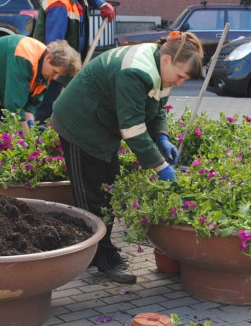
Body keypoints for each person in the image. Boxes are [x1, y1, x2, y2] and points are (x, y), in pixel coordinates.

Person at [51, 31, 204, 284]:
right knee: (90, 196)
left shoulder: (160, 70)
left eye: (184, 80)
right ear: (167, 61)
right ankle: (101, 259)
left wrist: (162, 136)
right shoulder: (135, 72)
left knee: (106, 187)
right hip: (78, 123)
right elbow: (133, 130)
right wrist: (161, 166)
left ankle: (100, 250)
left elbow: (154, 111)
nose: (179, 83)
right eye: (180, 76)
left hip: (101, 125)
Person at [32, 0, 116, 123]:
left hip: (69, 61)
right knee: (45, 104)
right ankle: (32, 135)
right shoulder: (60, 3)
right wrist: (61, 72)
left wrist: (101, 4)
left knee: (75, 98)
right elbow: (54, 46)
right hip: (54, 64)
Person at [0, 35, 81, 135]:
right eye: (55, 72)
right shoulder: (24, 57)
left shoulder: (45, 71)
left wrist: (30, 128)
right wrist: (28, 140)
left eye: (59, 75)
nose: (55, 78)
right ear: (48, 58)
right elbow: (14, 106)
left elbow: (29, 105)